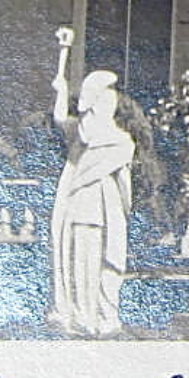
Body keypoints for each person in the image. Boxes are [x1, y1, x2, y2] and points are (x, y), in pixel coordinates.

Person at [48, 27, 136, 337]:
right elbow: (61, 119)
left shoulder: (120, 142)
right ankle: (81, 316)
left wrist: (121, 209)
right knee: (79, 266)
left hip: (102, 212)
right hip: (80, 209)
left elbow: (124, 187)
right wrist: (61, 90)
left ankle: (100, 316)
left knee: (100, 265)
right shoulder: (81, 135)